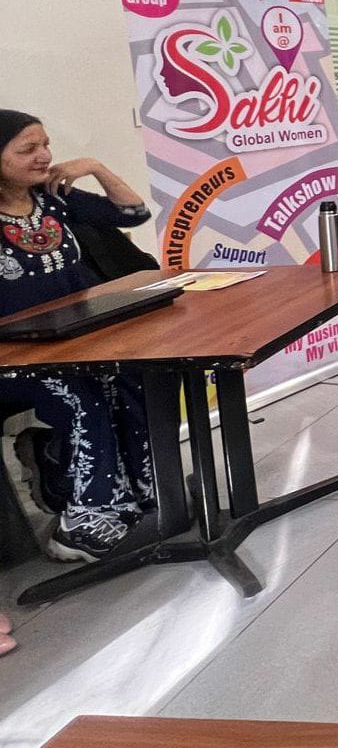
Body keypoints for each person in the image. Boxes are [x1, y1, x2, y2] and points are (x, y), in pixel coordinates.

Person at [0, 110, 159, 561]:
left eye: (45, 145)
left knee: (132, 376)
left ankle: (141, 494)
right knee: (80, 393)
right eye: (28, 149)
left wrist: (95, 167)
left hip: (75, 342)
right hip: (13, 359)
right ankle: (85, 520)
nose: (44, 156)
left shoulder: (53, 200)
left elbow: (133, 213)